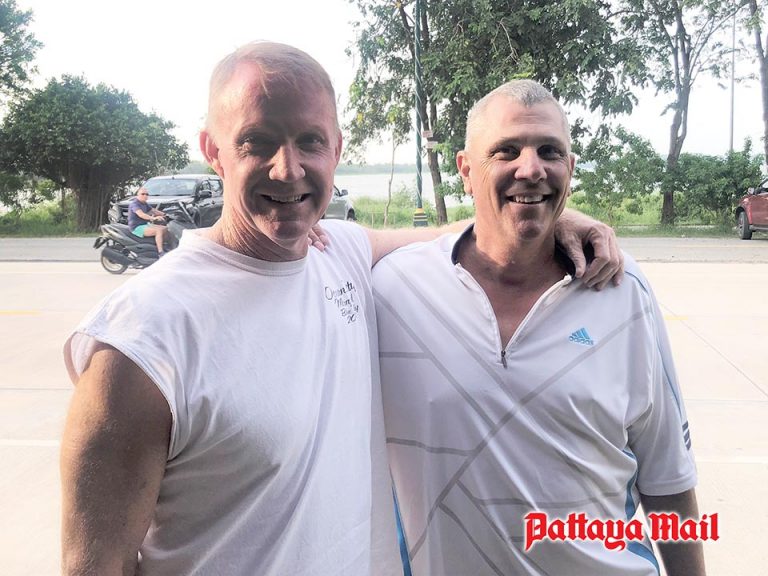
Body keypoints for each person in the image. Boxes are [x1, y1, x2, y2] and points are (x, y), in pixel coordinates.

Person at [60, 44, 622, 576]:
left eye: (309, 141)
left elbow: (464, 231)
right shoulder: (144, 339)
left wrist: (550, 218)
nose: (288, 169)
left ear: (336, 149)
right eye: (257, 142)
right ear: (213, 151)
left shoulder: (342, 254)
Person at [373, 80, 705, 576]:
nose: (531, 168)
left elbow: (668, 476)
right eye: (506, 151)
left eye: (549, 151)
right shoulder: (393, 289)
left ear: (569, 168)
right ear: (466, 170)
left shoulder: (621, 287)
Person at [128, 187, 170, 256]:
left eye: (147, 194)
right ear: (137, 195)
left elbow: (153, 210)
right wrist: (153, 218)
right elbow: (141, 214)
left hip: (145, 224)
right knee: (159, 230)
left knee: (165, 228)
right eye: (142, 194)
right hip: (137, 227)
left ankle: (165, 246)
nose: (145, 196)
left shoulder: (144, 203)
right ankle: (161, 252)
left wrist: (165, 215)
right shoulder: (135, 204)